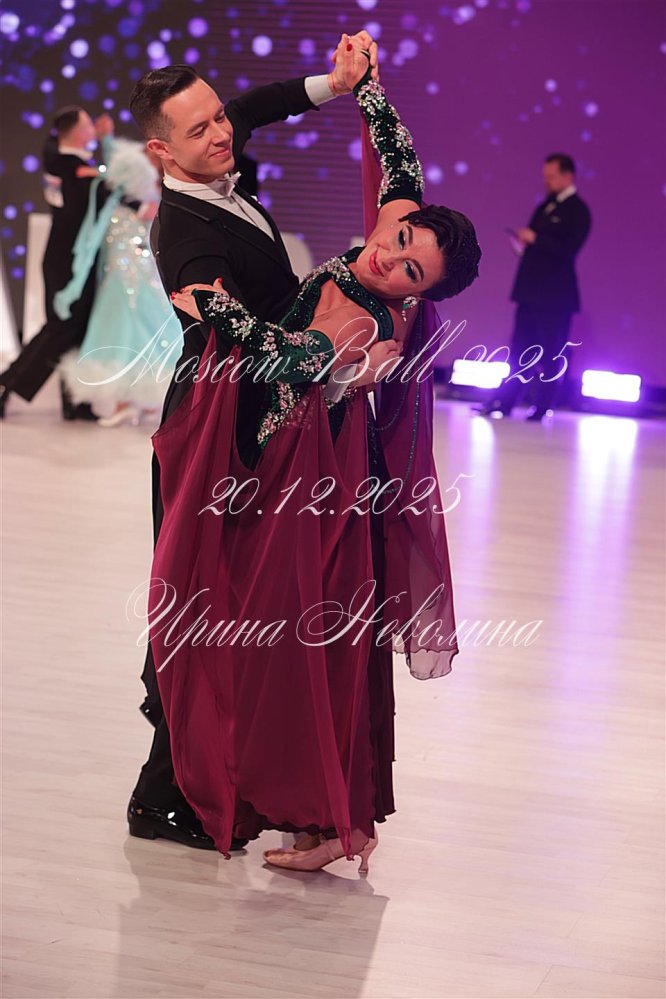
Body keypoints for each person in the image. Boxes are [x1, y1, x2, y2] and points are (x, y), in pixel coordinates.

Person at [146, 55, 481, 872]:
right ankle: (289, 803)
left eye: (411, 269)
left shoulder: (369, 320)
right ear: (165, 150)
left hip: (288, 466)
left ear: (420, 290)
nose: (390, 256)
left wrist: (232, 317)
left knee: (279, 631)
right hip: (261, 443)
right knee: (248, 621)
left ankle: (311, 811)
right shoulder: (189, 229)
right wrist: (361, 85)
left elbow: (285, 353)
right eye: (399, 237)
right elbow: (397, 159)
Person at [125, 31, 381, 852]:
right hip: (218, 432)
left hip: (255, 413)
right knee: (206, 602)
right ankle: (163, 795)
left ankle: (191, 783)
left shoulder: (214, 144)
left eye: (216, 118)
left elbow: (257, 106)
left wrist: (337, 83)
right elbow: (246, 340)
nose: (220, 133)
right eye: (199, 129)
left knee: (229, 605)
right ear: (160, 150)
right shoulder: (187, 241)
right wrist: (335, 350)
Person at [56, 132, 178, 427]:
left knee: (133, 319)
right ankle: (136, 400)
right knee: (133, 320)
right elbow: (119, 184)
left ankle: (132, 401)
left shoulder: (154, 180)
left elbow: (149, 211)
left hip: (133, 260)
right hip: (124, 258)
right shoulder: (134, 171)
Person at [0, 107, 111, 420]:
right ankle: (6, 383)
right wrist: (106, 149)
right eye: (88, 124)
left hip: (81, 260)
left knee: (78, 329)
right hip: (66, 261)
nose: (94, 128)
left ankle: (75, 400)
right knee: (61, 328)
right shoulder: (64, 163)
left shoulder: (77, 165)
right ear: (76, 131)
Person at [476, 153, 591, 421]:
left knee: (551, 351)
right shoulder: (545, 206)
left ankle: (543, 405)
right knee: (519, 348)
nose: (547, 182)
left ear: (568, 176)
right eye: (545, 177)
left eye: (551, 176)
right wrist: (524, 245)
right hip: (530, 291)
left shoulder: (578, 211)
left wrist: (536, 239)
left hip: (555, 296)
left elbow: (568, 249)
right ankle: (506, 401)